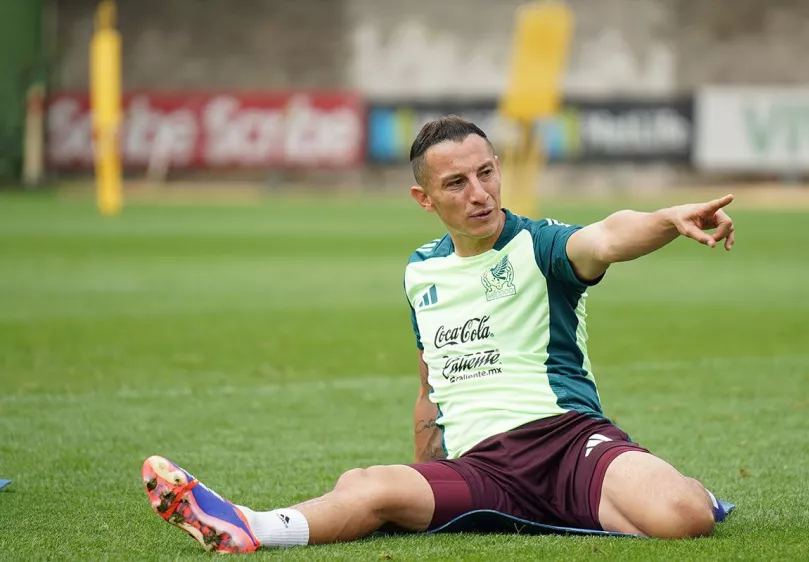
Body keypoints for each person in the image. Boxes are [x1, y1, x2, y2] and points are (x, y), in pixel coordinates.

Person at [141, 115, 736, 553]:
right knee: (370, 487)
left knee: (684, 515)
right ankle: (253, 526)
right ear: (423, 199)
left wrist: (668, 219)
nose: (479, 194)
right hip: (482, 470)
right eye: (456, 184)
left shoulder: (541, 245)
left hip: (567, 444)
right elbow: (431, 386)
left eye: (486, 173)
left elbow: (606, 236)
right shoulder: (420, 271)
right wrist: (424, 474)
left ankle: (672, 491)